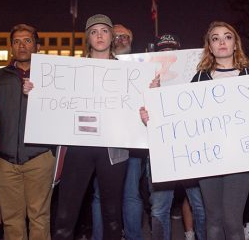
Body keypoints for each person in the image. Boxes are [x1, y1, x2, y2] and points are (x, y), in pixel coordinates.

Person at [190, 21, 249, 240]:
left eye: (227, 37)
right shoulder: (198, 80)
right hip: (208, 159)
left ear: (235, 45)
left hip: (240, 160)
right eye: (215, 38)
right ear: (210, 48)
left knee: (232, 220)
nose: (222, 41)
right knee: (213, 221)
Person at [50, 14, 129, 240]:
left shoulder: (128, 72)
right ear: (88, 38)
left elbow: (136, 105)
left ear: (111, 36)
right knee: (65, 216)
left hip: (113, 150)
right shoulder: (71, 69)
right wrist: (34, 91)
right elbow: (54, 102)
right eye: (94, 32)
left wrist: (149, 91)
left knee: (113, 216)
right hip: (79, 148)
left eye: (104, 31)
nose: (99, 36)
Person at [0, 24, 56, 240]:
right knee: (11, 221)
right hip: (4, 160)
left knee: (39, 218)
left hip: (39, 158)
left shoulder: (52, 78)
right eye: (17, 41)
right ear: (11, 47)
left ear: (37, 46)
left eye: (27, 40)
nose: (22, 45)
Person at [146, 34, 206, 240]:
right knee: (159, 208)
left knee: (200, 205)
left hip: (191, 148)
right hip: (160, 151)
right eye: (162, 53)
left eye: (172, 52)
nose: (167, 57)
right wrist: (149, 97)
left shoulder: (195, 77)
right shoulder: (146, 80)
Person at [89, 23, 143, 240]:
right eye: (117, 36)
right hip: (101, 142)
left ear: (132, 40)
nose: (121, 39)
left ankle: (132, 237)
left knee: (131, 195)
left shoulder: (140, 67)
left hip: (131, 143)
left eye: (125, 36)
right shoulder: (96, 64)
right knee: (100, 195)